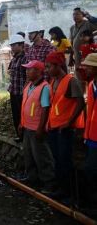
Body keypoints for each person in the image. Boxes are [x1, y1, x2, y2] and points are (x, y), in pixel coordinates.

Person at [45, 51, 86, 201]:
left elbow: (80, 103)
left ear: (57, 66)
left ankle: (71, 194)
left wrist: (68, 123)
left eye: (49, 66)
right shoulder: (53, 81)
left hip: (66, 129)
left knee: (65, 160)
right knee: (57, 159)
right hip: (54, 127)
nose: (47, 69)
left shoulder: (71, 81)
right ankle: (61, 189)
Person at [17, 60, 56, 195]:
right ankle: (32, 177)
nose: (27, 72)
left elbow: (45, 108)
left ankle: (49, 183)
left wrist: (41, 127)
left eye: (30, 70)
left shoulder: (44, 87)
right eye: (27, 70)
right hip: (27, 126)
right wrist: (21, 123)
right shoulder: (29, 86)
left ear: (39, 72)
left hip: (37, 128)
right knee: (29, 154)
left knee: (42, 156)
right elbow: (25, 106)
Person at [81, 53, 97, 210]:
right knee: (90, 169)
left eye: (88, 66)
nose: (85, 68)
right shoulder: (91, 85)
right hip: (91, 135)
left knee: (92, 168)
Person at [7, 34, 28, 142]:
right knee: (16, 115)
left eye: (14, 45)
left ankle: (25, 136)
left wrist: (26, 89)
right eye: (11, 46)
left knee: (22, 115)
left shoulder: (26, 57)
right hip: (13, 90)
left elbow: (29, 74)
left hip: (22, 91)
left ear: (21, 45)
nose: (12, 48)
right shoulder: (14, 58)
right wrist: (9, 72)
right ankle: (19, 135)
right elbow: (9, 69)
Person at [69, 7, 97, 81]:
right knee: (80, 79)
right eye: (73, 14)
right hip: (78, 59)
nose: (75, 16)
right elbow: (72, 43)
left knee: (90, 79)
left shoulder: (88, 23)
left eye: (77, 14)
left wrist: (90, 17)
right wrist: (71, 57)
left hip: (88, 59)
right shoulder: (72, 28)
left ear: (82, 15)